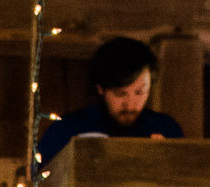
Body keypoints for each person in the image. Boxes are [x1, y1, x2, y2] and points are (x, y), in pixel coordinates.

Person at [37, 37, 183, 167]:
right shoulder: (67, 129)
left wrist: (165, 159)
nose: (131, 104)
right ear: (101, 89)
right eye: (120, 94)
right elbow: (37, 180)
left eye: (139, 92)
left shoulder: (165, 128)